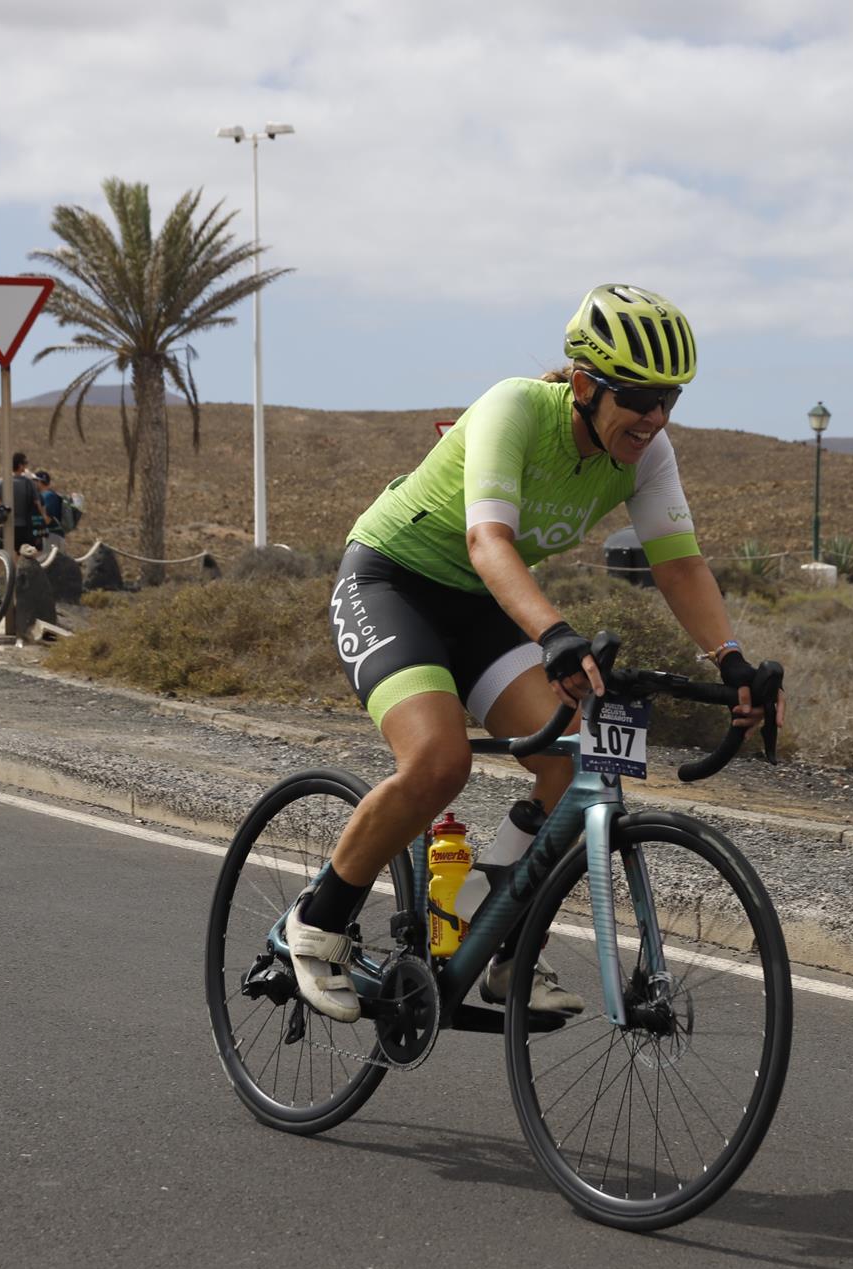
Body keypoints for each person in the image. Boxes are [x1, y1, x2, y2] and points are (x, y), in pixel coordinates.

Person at [290, 283, 787, 1022]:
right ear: (584, 385)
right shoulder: (515, 408)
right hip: (393, 582)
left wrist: (731, 659)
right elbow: (486, 539)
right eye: (638, 396)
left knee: (575, 759)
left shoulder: (646, 454)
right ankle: (317, 924)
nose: (654, 416)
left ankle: (499, 936)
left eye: (669, 399)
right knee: (439, 762)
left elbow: (679, 564)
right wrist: (554, 635)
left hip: (483, 606)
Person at [0, 452, 46, 556]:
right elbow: (38, 505)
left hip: (4, 527)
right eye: (25, 463)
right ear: (20, 466)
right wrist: (42, 520)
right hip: (23, 527)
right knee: (23, 556)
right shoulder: (29, 483)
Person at [34, 469, 70, 549]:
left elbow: (47, 520)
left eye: (34, 481)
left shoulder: (48, 496)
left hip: (52, 535)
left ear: (39, 482)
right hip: (50, 535)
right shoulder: (47, 495)